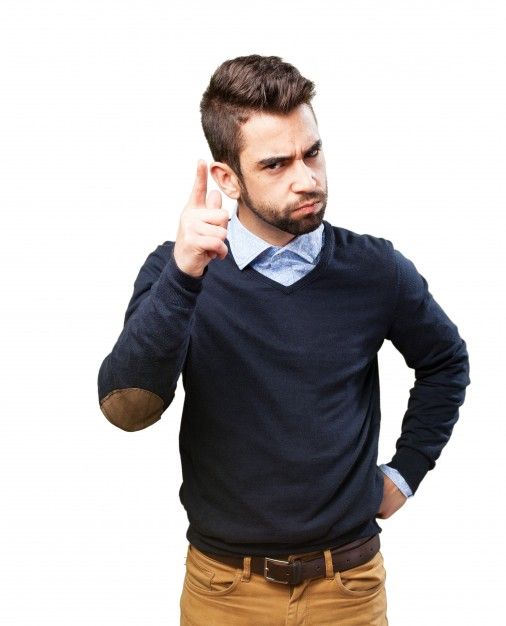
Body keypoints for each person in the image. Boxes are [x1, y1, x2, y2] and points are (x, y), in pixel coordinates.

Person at [97, 54, 471, 625]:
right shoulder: (180, 270)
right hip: (224, 590)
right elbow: (126, 409)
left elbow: (445, 360)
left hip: (348, 588)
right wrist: (183, 275)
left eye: (312, 152)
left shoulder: (375, 269)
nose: (307, 179)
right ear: (228, 178)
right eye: (276, 164)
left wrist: (406, 471)